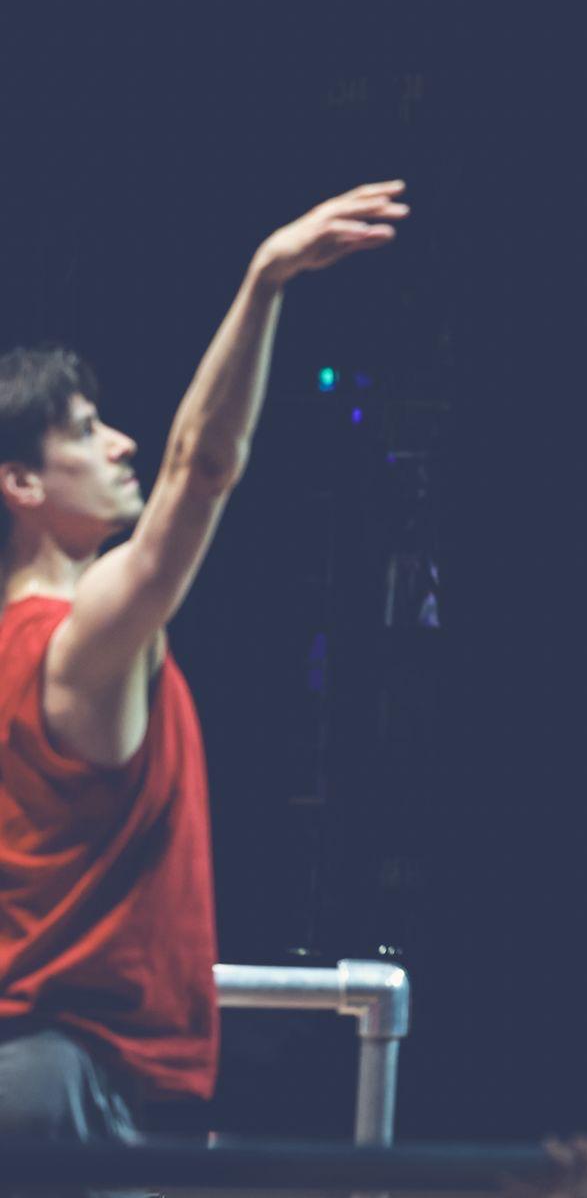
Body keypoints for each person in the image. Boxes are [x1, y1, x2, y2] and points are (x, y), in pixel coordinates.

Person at [0, 181, 410, 1149]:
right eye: (86, 428)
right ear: (19, 481)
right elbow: (201, 468)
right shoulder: (83, 635)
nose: (121, 441)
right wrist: (265, 280)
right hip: (66, 1084)